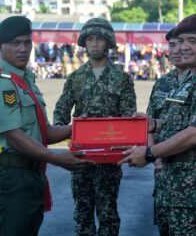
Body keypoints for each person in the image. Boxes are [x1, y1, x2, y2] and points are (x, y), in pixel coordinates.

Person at [119, 13, 196, 235]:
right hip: (175, 183)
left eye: (193, 41)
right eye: (181, 41)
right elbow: (182, 122)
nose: (184, 47)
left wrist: (150, 153)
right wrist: (155, 124)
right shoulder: (195, 76)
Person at [0, 16, 94, 236]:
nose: (23, 49)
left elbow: (44, 132)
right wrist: (56, 158)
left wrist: (79, 127)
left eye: (26, 42)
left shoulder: (24, 82)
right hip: (11, 176)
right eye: (15, 43)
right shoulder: (3, 84)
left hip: (28, 175)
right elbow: (14, 136)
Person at [53, 18, 137, 236]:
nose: (94, 44)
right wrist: (67, 132)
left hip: (110, 159)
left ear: (108, 42)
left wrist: (118, 136)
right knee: (82, 213)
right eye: (89, 39)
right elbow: (61, 111)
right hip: (81, 157)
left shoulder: (121, 78)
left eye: (99, 39)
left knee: (108, 213)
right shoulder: (76, 78)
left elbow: (129, 116)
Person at [146, 27, 188, 236]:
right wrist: (156, 158)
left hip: (193, 172)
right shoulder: (163, 83)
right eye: (172, 45)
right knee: (165, 226)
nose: (177, 49)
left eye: (181, 43)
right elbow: (149, 123)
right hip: (163, 170)